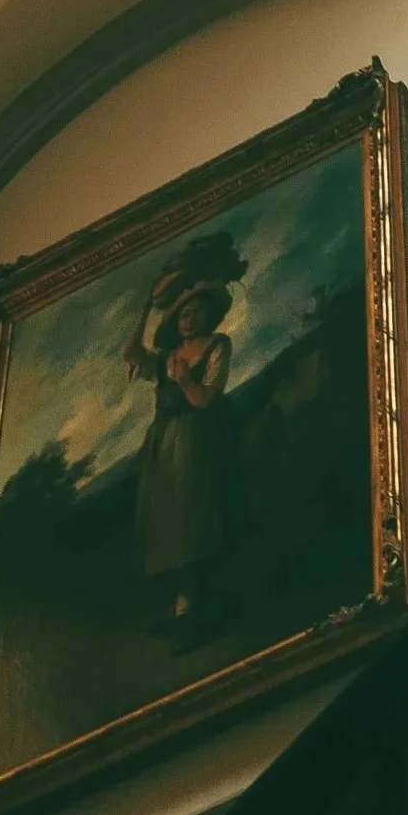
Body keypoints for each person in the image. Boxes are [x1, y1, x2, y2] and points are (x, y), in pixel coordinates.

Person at [125, 245, 243, 648]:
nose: (187, 319)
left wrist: (182, 380)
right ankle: (179, 606)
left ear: (208, 312)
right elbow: (130, 352)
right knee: (164, 523)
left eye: (193, 311)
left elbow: (204, 400)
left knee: (190, 523)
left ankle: (191, 611)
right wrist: (144, 309)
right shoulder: (169, 354)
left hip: (195, 441)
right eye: (181, 314)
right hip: (163, 443)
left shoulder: (217, 346)